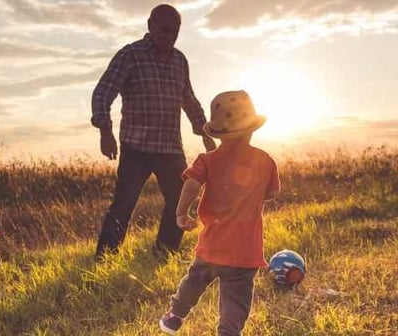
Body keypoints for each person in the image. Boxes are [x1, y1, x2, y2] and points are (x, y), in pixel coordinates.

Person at [91, 4, 216, 261]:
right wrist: (105, 130)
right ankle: (104, 258)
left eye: (175, 31)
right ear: (150, 26)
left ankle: (163, 253)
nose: (169, 35)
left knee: (181, 200)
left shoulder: (180, 60)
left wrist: (204, 131)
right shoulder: (131, 55)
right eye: (164, 29)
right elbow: (103, 91)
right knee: (123, 205)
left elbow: (188, 100)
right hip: (136, 147)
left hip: (170, 148)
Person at [158, 90, 281, 336]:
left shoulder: (207, 160)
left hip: (212, 246)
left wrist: (181, 213)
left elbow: (191, 184)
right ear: (251, 129)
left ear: (219, 132)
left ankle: (174, 317)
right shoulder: (265, 161)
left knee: (194, 281)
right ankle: (228, 332)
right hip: (245, 252)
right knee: (236, 299)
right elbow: (272, 193)